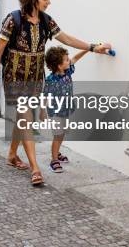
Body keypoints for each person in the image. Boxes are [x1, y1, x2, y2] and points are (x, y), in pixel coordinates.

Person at [0, 0, 112, 186]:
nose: (48, 2)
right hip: (14, 79)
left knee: (23, 118)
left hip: (35, 80)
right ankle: (35, 169)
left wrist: (91, 47)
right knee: (25, 118)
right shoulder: (13, 20)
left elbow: (67, 40)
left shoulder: (46, 21)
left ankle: (11, 154)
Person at [43, 45, 108, 173]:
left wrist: (88, 49)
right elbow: (45, 97)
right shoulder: (51, 80)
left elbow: (76, 58)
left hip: (66, 111)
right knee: (58, 135)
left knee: (62, 134)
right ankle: (54, 160)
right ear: (59, 65)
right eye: (66, 60)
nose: (69, 61)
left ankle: (57, 152)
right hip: (56, 113)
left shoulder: (67, 71)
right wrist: (42, 112)